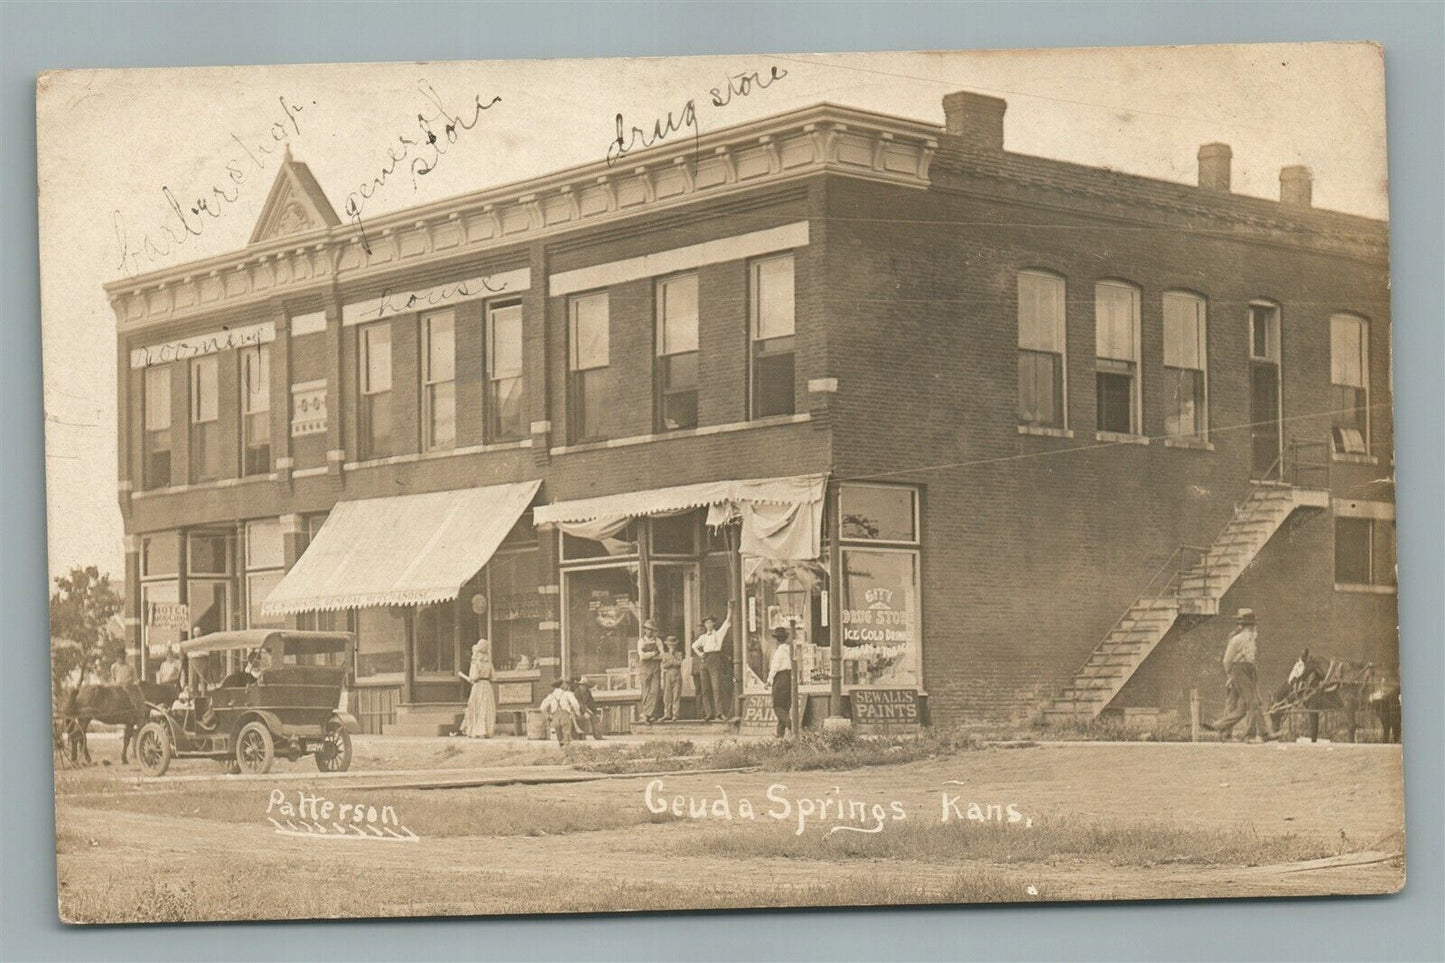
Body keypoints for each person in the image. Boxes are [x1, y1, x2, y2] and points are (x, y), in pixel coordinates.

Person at [1208, 609, 1280, 742]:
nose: (1254, 628)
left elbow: (1251, 660)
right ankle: (1251, 735)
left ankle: (1222, 729)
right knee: (1253, 703)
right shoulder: (1237, 640)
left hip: (1249, 672)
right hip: (1239, 671)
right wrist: (1231, 675)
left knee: (1239, 706)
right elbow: (1227, 660)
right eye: (1252, 625)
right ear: (1248, 626)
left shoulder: (1251, 639)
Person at [691, 612, 733, 721]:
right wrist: (700, 654)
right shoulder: (703, 637)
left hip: (715, 659)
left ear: (713, 623)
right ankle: (708, 713)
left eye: (710, 622)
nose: (709, 625)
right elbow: (694, 646)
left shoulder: (718, 634)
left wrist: (730, 609)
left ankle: (719, 713)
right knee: (705, 689)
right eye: (706, 623)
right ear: (704, 625)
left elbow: (727, 622)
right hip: (705, 661)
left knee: (716, 688)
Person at [459, 637, 496, 738]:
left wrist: (470, 678)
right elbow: (494, 677)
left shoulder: (475, 663)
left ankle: (477, 731)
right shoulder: (489, 662)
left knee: (476, 707)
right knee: (486, 708)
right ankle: (487, 731)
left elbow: (474, 677)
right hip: (487, 686)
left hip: (478, 686)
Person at [767, 625, 794, 738]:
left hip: (780, 678)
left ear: (777, 640)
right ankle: (780, 733)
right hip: (790, 677)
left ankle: (791, 724)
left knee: (777, 706)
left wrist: (769, 681)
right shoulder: (790, 650)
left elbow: (774, 667)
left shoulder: (779, 652)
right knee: (785, 707)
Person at [636, 620, 664, 723]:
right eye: (648, 629)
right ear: (645, 630)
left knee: (655, 691)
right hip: (645, 669)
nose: (649, 631)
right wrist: (653, 654)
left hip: (655, 669)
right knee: (646, 692)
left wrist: (650, 656)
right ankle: (647, 715)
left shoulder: (658, 641)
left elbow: (662, 655)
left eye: (651, 630)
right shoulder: (641, 641)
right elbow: (642, 656)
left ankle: (647, 714)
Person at [539, 679, 581, 747]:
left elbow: (542, 708)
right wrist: (577, 711)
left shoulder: (550, 696)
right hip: (565, 716)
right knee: (566, 735)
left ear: (553, 687)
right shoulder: (567, 694)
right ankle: (566, 749)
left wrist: (548, 716)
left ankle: (561, 747)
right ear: (561, 686)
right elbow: (574, 703)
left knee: (559, 737)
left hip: (555, 717)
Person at [660, 636, 685, 722]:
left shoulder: (679, 653)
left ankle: (675, 714)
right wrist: (671, 661)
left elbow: (678, 663)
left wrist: (670, 661)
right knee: (667, 695)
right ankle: (667, 713)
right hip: (668, 674)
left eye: (673, 645)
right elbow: (664, 665)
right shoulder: (665, 654)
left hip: (677, 674)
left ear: (676, 645)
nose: (671, 646)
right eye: (669, 645)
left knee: (676, 695)